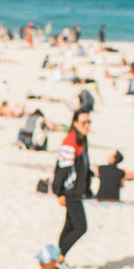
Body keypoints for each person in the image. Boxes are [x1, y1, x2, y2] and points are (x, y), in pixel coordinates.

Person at [53, 108, 93, 258]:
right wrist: (58, 192)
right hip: (70, 191)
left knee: (69, 226)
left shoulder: (82, 140)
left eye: (88, 122)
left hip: (78, 191)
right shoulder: (70, 141)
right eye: (83, 122)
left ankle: (58, 257)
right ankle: (59, 256)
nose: (87, 125)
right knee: (81, 227)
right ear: (75, 123)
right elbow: (61, 168)